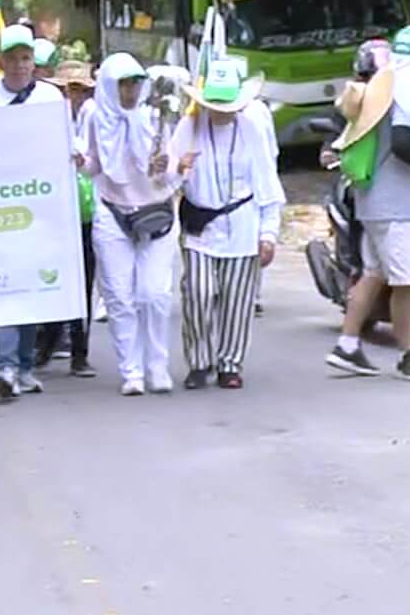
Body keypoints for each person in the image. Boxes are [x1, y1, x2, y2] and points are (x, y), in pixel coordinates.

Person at [324, 26, 410, 383]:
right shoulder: (408, 90)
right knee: (405, 282)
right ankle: (406, 355)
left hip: (374, 201)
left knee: (373, 273)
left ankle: (348, 344)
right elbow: (402, 143)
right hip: (399, 205)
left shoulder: (383, 86)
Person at [0, 25, 65, 400]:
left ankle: (24, 366)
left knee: (31, 290)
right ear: (1, 61)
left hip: (38, 209)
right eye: (13, 58)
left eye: (26, 58)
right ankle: (4, 366)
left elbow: (62, 146)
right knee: (0, 286)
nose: (20, 65)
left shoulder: (50, 97)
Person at [173, 60, 283, 390]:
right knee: (198, 291)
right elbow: (166, 177)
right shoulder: (189, 127)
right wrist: (179, 168)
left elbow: (267, 183)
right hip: (200, 224)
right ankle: (199, 360)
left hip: (242, 223)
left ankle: (230, 363)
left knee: (238, 297)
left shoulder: (251, 129)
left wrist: (269, 232)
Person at [81, 53, 183, 396]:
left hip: (156, 211)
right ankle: (132, 370)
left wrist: (167, 165)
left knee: (153, 294)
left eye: (135, 83)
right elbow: (96, 164)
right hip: (113, 210)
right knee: (119, 296)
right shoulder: (97, 117)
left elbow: (169, 170)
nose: (129, 91)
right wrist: (81, 161)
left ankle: (158, 364)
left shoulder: (156, 117)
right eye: (123, 84)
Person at [34, 59, 98, 377]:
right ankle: (46, 344)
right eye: (67, 89)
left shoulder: (94, 118)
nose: (73, 96)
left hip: (85, 211)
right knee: (52, 279)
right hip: (51, 211)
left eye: (79, 90)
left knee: (84, 282)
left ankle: (80, 352)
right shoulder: (44, 119)